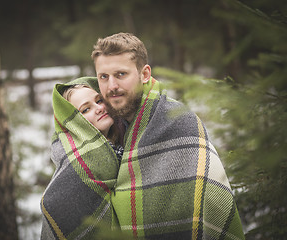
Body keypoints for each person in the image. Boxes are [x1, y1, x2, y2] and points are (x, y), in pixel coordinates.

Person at [90, 32, 245, 239]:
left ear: (144, 74)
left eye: (121, 74)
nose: (111, 86)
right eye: (103, 77)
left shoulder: (179, 121)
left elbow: (214, 203)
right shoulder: (106, 126)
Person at [40, 77, 124, 240]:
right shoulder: (79, 165)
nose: (99, 108)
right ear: (75, 124)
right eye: (86, 110)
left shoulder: (124, 146)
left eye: (99, 100)